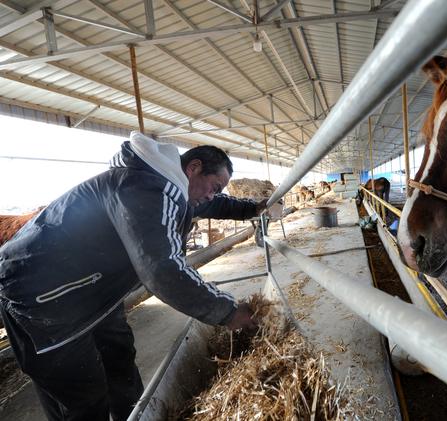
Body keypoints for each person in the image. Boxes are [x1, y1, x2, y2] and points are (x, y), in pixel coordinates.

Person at [0, 132, 270, 421]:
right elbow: (162, 270)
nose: (211, 195)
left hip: (93, 290)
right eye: (214, 186)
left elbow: (212, 203)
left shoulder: (168, 185)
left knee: (120, 363)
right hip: (44, 295)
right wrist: (228, 312)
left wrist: (254, 208)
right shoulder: (145, 188)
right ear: (193, 168)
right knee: (82, 394)